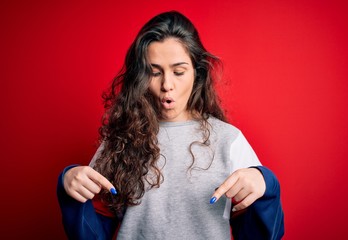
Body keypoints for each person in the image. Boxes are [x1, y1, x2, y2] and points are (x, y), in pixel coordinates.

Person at [57, 11, 284, 240]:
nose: (167, 84)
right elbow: (91, 234)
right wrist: (70, 188)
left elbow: (261, 235)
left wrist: (267, 185)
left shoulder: (229, 140)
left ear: (197, 72)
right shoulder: (119, 140)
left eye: (178, 72)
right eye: (154, 73)